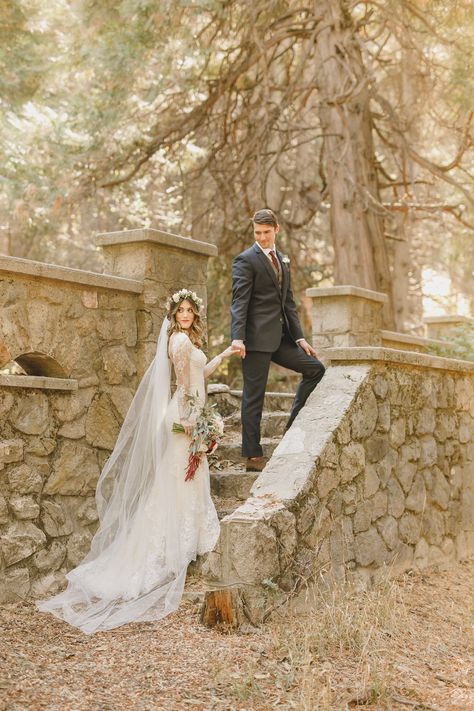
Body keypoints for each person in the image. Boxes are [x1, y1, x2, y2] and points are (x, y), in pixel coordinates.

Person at [37, 289, 238, 634]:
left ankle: (190, 536)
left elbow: (198, 377)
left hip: (191, 411)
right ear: (174, 315)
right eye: (181, 310)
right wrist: (194, 423)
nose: (186, 315)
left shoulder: (185, 341)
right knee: (180, 477)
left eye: (190, 310)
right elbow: (187, 386)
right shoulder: (178, 343)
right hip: (186, 415)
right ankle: (173, 543)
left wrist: (226, 353)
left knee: (182, 476)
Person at [231, 208, 326, 472]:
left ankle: (290, 431)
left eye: (266, 232)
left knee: (315, 369)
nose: (261, 238)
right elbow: (239, 303)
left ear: (277, 230)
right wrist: (238, 338)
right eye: (257, 233)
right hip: (254, 340)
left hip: (281, 338)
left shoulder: (282, 260)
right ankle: (252, 456)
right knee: (254, 397)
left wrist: (300, 338)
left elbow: (289, 302)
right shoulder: (245, 260)